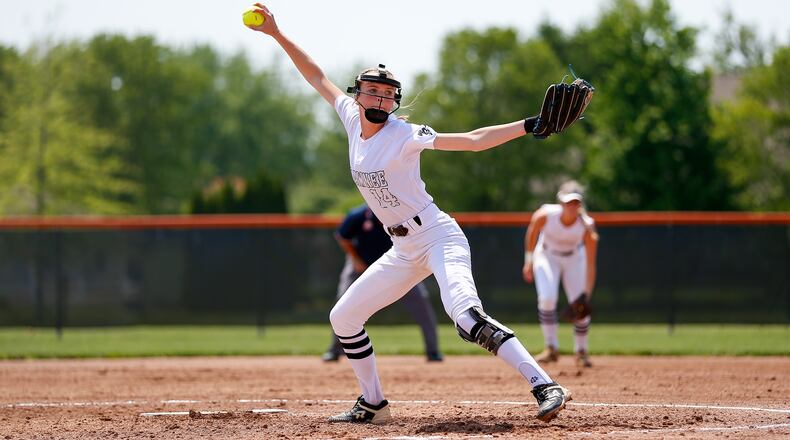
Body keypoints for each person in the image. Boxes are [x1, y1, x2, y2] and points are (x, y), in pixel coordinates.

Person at [246, 3, 572, 424]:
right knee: (343, 318)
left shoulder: (404, 134)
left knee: (467, 317)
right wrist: (276, 33)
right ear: (358, 94)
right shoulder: (349, 116)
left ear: (395, 100)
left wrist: (528, 125)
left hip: (437, 235)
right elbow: (315, 75)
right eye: (372, 91)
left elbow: (471, 140)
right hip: (402, 248)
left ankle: (545, 385)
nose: (380, 97)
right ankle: (373, 403)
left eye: (387, 93)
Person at [323, 203, 443, 362]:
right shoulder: (359, 215)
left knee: (421, 303)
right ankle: (334, 350)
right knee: (342, 305)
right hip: (361, 265)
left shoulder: (401, 216)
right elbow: (343, 236)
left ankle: (433, 351)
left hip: (399, 265)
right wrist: (356, 260)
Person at [522, 180, 599, 369]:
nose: (571, 206)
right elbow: (532, 232)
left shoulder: (587, 226)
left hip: (574, 258)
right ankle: (551, 348)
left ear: (580, 205)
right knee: (547, 298)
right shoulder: (546, 215)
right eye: (568, 202)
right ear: (561, 203)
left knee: (579, 304)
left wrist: (586, 295)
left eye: (575, 203)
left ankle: (581, 351)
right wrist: (529, 261)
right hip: (547, 255)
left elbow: (590, 264)